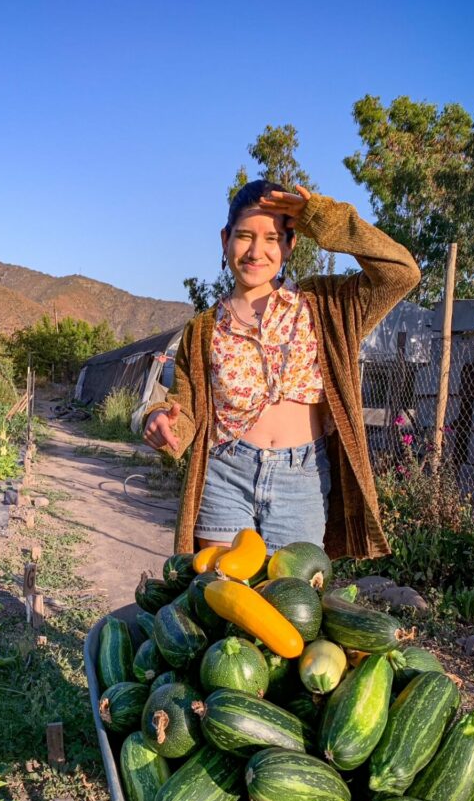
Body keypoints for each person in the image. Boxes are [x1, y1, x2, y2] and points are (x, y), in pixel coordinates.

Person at [143, 180, 420, 559]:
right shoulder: (203, 329)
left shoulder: (327, 306)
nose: (256, 251)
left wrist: (323, 219)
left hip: (302, 478)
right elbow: (186, 406)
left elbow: (401, 274)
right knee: (223, 597)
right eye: (244, 236)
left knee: (290, 605)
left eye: (272, 238)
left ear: (291, 244)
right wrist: (164, 421)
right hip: (225, 473)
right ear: (225, 240)